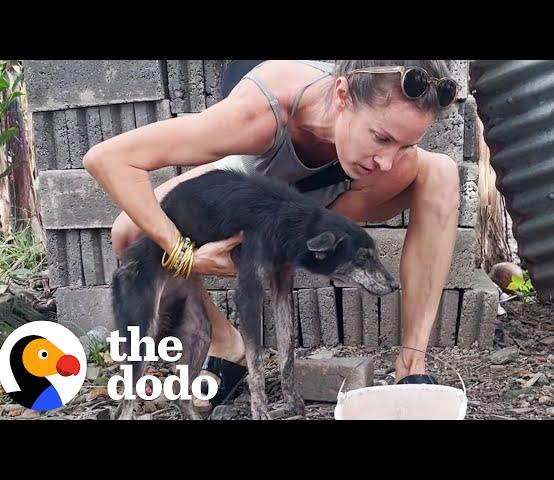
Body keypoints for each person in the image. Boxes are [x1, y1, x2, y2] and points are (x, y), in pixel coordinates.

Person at [83, 60, 461, 411]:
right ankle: (225, 343)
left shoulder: (384, 146)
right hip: (254, 187)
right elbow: (108, 159)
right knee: (131, 232)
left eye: (405, 144)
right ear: (342, 94)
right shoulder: (259, 111)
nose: (387, 161)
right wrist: (184, 254)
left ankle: (412, 364)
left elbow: (399, 166)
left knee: (440, 172)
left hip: (320, 206)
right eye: (380, 138)